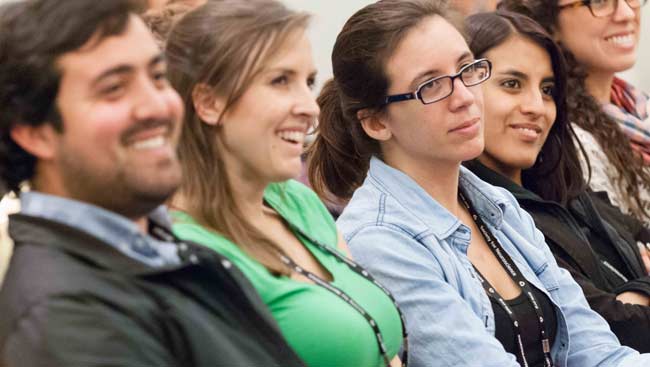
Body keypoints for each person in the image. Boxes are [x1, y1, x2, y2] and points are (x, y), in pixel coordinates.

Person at [307, 0, 650, 365]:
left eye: (467, 69)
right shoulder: (379, 240)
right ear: (376, 122)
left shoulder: (498, 205)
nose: (465, 97)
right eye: (432, 85)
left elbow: (599, 354)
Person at [0, 1, 304, 366]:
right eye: (113, 88)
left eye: (158, 78)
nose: (158, 106)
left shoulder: (152, 246)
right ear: (35, 132)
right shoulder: (68, 318)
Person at [165, 1, 406, 366]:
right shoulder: (185, 251)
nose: (310, 106)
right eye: (280, 80)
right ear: (209, 102)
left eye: (307, 81)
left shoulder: (295, 201)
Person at [463, 9, 650, 353]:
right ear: (462, 92)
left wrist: (636, 295)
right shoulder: (484, 217)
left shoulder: (566, 189)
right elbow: (617, 330)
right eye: (511, 84)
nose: (537, 106)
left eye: (548, 89)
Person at [501, 0, 650, 226]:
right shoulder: (562, 138)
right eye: (599, 2)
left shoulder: (638, 106)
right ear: (549, 20)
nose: (626, 13)